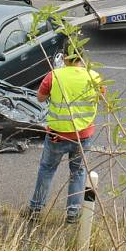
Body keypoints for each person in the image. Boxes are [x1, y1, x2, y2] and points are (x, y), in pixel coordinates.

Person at [23, 50, 104, 224]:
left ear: (65, 58)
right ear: (82, 57)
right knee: (78, 172)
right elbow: (102, 98)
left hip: (56, 135)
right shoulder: (94, 77)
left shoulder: (54, 76)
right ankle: (73, 213)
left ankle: (36, 209)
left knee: (47, 170)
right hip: (82, 135)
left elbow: (40, 98)